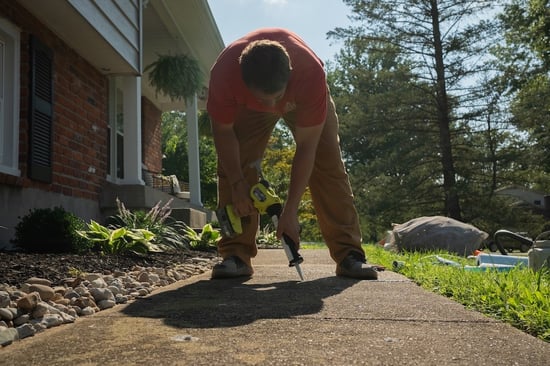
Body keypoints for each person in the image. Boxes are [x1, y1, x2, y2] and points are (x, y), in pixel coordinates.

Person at [206, 28, 379, 280]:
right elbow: (223, 133)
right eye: (263, 100)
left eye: (275, 98)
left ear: (290, 75)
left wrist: (290, 211)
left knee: (328, 164)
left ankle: (349, 255)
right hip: (246, 105)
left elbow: (307, 147)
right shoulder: (224, 73)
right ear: (242, 81)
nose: (270, 107)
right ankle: (235, 255)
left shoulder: (309, 74)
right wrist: (237, 183)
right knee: (237, 164)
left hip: (301, 99)